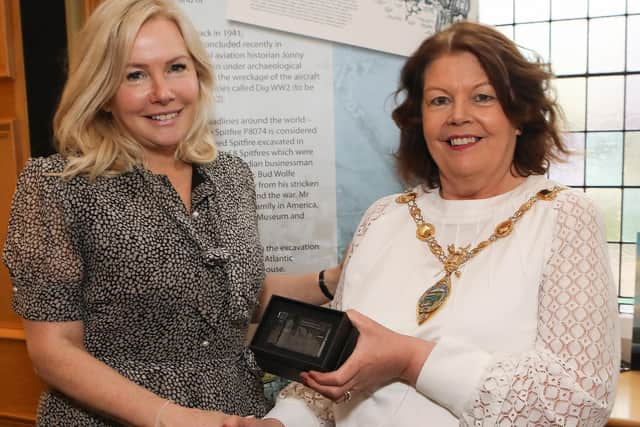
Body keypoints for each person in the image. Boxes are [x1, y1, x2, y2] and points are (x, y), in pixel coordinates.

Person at [221, 21, 620, 427]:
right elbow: (331, 369)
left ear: (519, 115)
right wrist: (282, 422)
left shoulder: (564, 216)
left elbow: (577, 402)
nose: (459, 116)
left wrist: (410, 358)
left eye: (482, 97)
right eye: (439, 100)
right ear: (419, 120)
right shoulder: (383, 217)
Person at [2, 0, 340, 425]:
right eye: (135, 75)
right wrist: (169, 417)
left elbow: (235, 293)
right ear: (103, 91)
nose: (163, 92)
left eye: (176, 67)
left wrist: (334, 279)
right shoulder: (57, 186)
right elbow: (52, 350)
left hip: (236, 412)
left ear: (198, 75)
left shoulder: (231, 175)